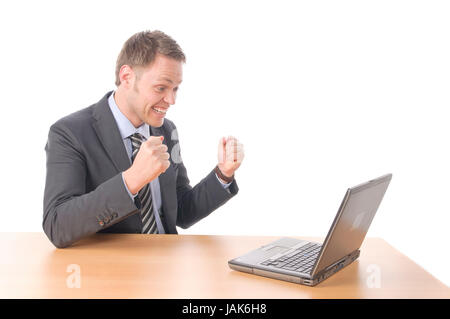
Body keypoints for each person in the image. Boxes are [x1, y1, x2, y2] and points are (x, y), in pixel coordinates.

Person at [43, 30, 244, 248]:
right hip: (112, 269)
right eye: (161, 88)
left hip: (167, 262)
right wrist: (131, 180)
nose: (171, 100)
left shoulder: (167, 130)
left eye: (175, 88)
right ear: (127, 77)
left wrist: (223, 175)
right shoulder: (69, 133)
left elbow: (182, 212)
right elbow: (58, 225)